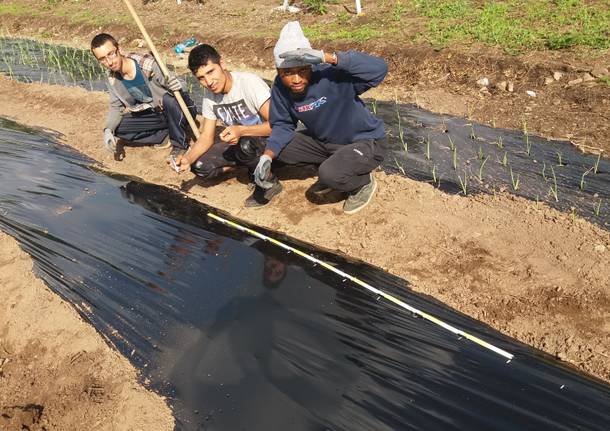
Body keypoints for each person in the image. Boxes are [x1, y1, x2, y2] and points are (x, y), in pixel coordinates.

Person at [253, 21, 389, 215]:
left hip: (365, 142)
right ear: (278, 72)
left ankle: (362, 183)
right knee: (280, 149)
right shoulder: (281, 88)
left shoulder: (331, 76)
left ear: (311, 64)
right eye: (288, 73)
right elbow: (283, 124)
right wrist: (268, 155)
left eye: (302, 70)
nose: (296, 79)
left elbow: (380, 69)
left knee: (330, 174)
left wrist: (330, 57)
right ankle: (336, 165)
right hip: (326, 143)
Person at [175, 44, 278, 208]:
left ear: (222, 64)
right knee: (200, 166)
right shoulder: (209, 96)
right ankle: (249, 166)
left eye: (211, 72)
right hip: (241, 144)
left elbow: (277, 126)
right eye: (201, 78)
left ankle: (269, 182)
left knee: (245, 144)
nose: (208, 82)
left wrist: (241, 130)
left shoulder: (248, 83)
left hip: (269, 144)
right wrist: (188, 158)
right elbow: (206, 138)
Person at [91, 33, 197, 158]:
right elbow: (116, 107)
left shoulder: (147, 64)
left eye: (111, 54)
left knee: (169, 99)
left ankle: (180, 145)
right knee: (118, 128)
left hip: (178, 109)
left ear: (119, 49)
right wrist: (108, 130)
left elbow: (180, 85)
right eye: (102, 59)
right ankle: (165, 134)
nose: (109, 62)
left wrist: (176, 85)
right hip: (155, 114)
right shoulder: (113, 80)